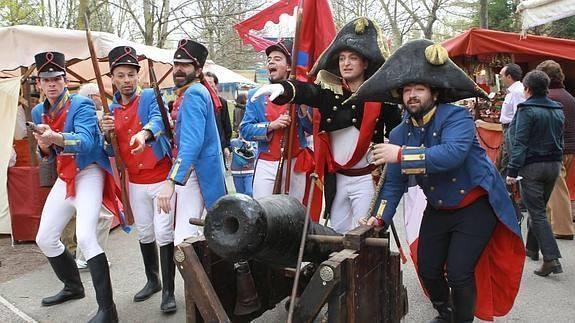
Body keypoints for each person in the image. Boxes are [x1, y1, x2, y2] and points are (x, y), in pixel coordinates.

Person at [359, 40, 524, 322]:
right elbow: (393, 185)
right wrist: (379, 218)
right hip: (438, 207)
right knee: (428, 269)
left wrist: (400, 154)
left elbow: (452, 155)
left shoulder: (456, 116)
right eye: (407, 90)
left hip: (476, 205)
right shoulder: (400, 133)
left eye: (419, 89)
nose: (412, 95)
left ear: (433, 92)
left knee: (459, 272)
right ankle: (445, 312)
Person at [252, 17, 402, 232]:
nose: (346, 63)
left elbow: (398, 133)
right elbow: (308, 91)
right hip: (337, 179)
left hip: (366, 180)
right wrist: (285, 89)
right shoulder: (328, 93)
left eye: (353, 58)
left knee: (365, 236)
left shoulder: (381, 98)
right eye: (342, 58)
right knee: (337, 236)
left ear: (365, 62)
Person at [31, 51, 120, 322]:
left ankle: (108, 310)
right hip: (65, 175)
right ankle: (73, 286)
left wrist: (55, 137)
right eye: (47, 80)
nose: (52, 84)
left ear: (65, 79)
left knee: (85, 237)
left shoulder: (80, 104)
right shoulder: (38, 111)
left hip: (89, 172)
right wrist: (43, 146)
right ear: (39, 84)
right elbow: (46, 155)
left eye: (57, 78)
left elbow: (87, 143)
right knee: (44, 238)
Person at [100, 46, 177, 313]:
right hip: (134, 181)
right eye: (120, 75)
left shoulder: (148, 98)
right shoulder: (110, 109)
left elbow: (159, 120)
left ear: (138, 75)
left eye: (131, 74)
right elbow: (110, 150)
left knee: (164, 232)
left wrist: (143, 135)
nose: (126, 80)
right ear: (113, 78)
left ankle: (169, 291)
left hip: (160, 178)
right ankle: (152, 280)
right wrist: (105, 133)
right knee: (145, 232)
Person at [157, 39, 226, 245]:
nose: (178, 69)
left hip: (195, 171)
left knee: (184, 239)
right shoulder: (190, 92)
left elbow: (192, 144)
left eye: (185, 65)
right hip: (194, 170)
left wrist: (171, 181)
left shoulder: (194, 93)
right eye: (176, 64)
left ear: (198, 70)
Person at [506, 69, 565, 276]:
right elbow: (561, 138)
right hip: (554, 165)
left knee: (536, 212)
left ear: (527, 89)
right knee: (537, 208)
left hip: (532, 166)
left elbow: (519, 142)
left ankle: (551, 259)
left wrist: (511, 170)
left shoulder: (526, 109)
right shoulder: (558, 108)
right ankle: (532, 248)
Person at [240, 40, 312, 202]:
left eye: (277, 58)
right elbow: (245, 129)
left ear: (289, 67)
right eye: (269, 59)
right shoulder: (255, 95)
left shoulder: (300, 94)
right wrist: (271, 126)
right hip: (267, 163)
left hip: (295, 163)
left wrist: (303, 109)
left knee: (294, 213)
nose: (271, 61)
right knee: (264, 211)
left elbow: (310, 128)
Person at [75, 83, 114, 271]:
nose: (101, 98)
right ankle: (90, 256)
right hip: (89, 170)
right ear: (92, 97)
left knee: (94, 216)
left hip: (91, 171)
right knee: (101, 216)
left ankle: (86, 255)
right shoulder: (87, 114)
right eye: (98, 96)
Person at [537, 60, 575, 240]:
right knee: (556, 189)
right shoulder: (568, 96)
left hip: (555, 149)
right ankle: (553, 225)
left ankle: (563, 229)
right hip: (570, 147)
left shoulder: (548, 98)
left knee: (557, 191)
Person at [498, 63, 525, 173]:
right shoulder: (513, 91)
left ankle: (509, 188)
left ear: (509, 77)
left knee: (511, 162)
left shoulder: (517, 92)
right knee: (506, 162)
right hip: (509, 129)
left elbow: (519, 116)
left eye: (501, 75)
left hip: (512, 129)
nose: (500, 78)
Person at [205, 71, 233, 165]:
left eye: (210, 83)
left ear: (215, 85)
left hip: (218, 147)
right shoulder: (198, 102)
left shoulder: (221, 103)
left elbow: (226, 126)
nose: (207, 86)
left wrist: (226, 146)